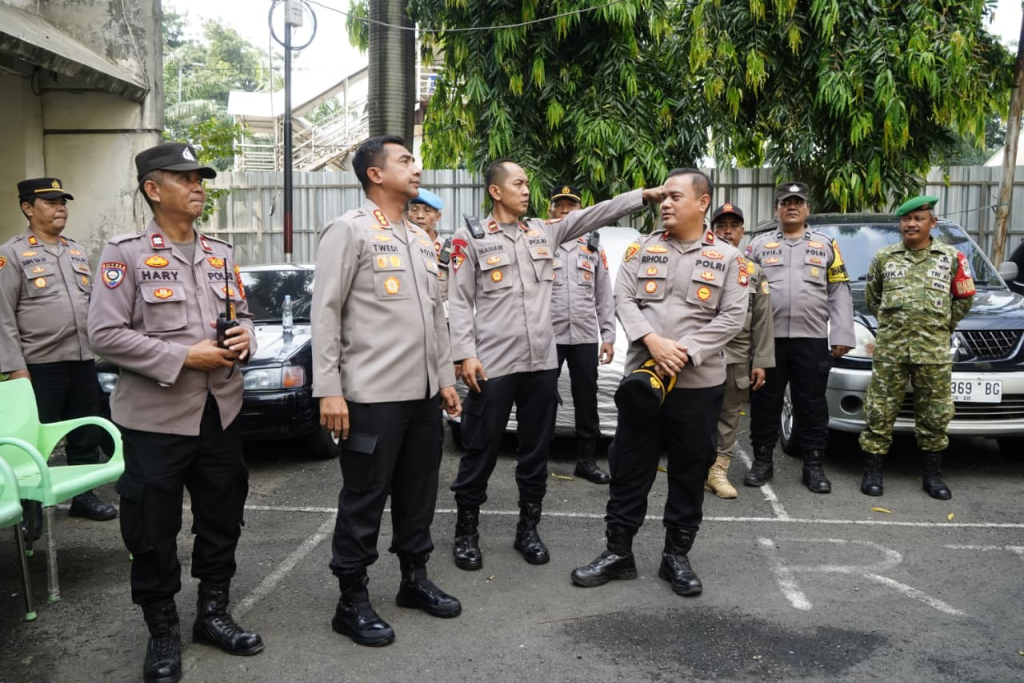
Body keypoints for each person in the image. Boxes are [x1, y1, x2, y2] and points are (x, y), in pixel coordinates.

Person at [89, 143, 263, 683]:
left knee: (221, 518)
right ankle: (161, 630)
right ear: (152, 189)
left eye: (200, 178)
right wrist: (183, 355)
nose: (198, 186)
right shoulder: (125, 253)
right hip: (156, 419)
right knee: (152, 529)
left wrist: (247, 337)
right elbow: (104, 334)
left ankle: (212, 614)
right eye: (185, 178)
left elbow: (245, 314)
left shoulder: (221, 253)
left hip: (220, 413)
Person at [448, 159, 664, 571]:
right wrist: (464, 353)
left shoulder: (544, 231)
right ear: (496, 191)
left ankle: (528, 529)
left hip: (541, 364)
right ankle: (466, 532)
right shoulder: (470, 239)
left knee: (535, 453)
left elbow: (593, 213)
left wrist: (641, 197)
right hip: (492, 365)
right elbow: (459, 302)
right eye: (518, 183)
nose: (526, 189)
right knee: (480, 449)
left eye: (528, 183)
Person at [312, 135, 463, 648]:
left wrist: (444, 378)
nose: (415, 168)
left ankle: (414, 580)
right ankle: (350, 599)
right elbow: (326, 313)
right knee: (365, 498)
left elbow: (436, 321)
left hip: (421, 396)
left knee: (419, 493)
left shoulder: (420, 240)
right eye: (404, 161)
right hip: (370, 397)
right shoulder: (348, 231)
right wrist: (329, 390)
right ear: (375, 174)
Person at [570, 168, 747, 596]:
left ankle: (676, 557)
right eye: (663, 197)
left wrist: (681, 350)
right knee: (629, 467)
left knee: (689, 471)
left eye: (675, 196)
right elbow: (622, 298)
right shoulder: (640, 248)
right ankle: (618, 553)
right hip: (642, 385)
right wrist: (652, 341)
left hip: (696, 386)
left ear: (702, 203)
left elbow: (732, 317)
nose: (664, 203)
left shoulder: (729, 258)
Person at [0, 178, 117, 529]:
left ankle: (84, 497)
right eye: (49, 202)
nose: (60, 207)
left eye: (62, 201)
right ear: (27, 208)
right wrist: (14, 368)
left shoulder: (76, 251)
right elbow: (2, 314)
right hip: (37, 366)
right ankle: (28, 507)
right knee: (33, 440)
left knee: (85, 433)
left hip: (81, 360)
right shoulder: (11, 254)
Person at [858, 196, 974, 500]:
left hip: (933, 352)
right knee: (879, 412)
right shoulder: (884, 258)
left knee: (935, 415)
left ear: (931, 223)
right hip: (891, 350)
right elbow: (873, 299)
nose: (911, 224)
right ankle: (873, 471)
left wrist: (941, 326)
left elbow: (964, 298)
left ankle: (933, 475)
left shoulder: (951, 258)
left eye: (919, 218)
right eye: (906, 219)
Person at [744, 182, 855, 493]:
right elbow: (744, 293)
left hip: (812, 339)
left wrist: (842, 333)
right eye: (785, 202)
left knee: (812, 405)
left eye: (798, 202)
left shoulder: (826, 244)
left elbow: (839, 291)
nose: (791, 206)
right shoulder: (758, 247)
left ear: (807, 208)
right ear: (777, 208)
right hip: (769, 340)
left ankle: (813, 465)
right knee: (765, 403)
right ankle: (762, 462)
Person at [706, 203, 775, 498]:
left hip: (736, 359)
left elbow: (763, 319)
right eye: (721, 225)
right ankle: (696, 467)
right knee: (695, 416)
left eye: (733, 226)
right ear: (712, 230)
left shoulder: (755, 272)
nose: (727, 231)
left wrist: (761, 361)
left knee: (729, 417)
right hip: (702, 358)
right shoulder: (701, 262)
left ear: (742, 232)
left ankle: (718, 471)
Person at [548, 184, 615, 485]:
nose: (565, 211)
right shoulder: (540, 242)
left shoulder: (592, 244)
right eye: (559, 205)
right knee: (542, 397)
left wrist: (609, 335)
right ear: (550, 209)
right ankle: (536, 458)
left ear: (580, 210)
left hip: (585, 335)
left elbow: (604, 295)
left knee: (586, 398)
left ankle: (586, 461)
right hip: (547, 336)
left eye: (570, 206)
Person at [407, 188, 451, 312]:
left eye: (427, 211)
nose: (420, 216)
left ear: (437, 216)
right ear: (407, 214)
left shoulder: (450, 250)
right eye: (414, 210)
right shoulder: (400, 248)